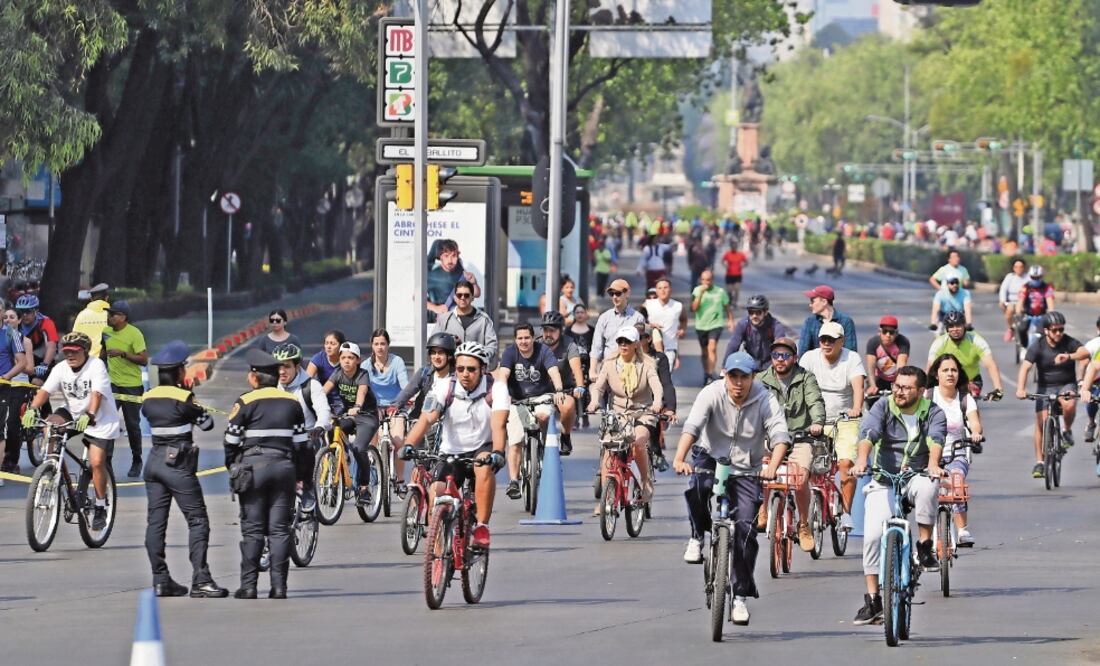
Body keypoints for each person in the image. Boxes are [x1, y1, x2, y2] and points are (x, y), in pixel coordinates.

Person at [673, 351, 789, 626]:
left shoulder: (765, 398)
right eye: (733, 376)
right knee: (698, 486)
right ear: (725, 375)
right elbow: (693, 425)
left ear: (753, 377)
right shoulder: (711, 393)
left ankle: (739, 597)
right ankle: (697, 536)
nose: (738, 383)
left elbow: (780, 434)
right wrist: (679, 458)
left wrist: (773, 464)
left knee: (747, 529)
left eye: (744, 377)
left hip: (747, 466)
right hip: (710, 456)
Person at [852, 366, 946, 625]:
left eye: (906, 387)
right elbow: (868, 433)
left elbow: (936, 440)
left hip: (916, 474)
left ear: (921, 390)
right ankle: (873, 600)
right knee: (871, 537)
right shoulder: (883, 406)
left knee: (929, 487)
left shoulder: (933, 412)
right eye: (896, 386)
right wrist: (862, 461)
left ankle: (925, 547)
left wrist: (934, 464)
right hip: (884, 477)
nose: (899, 391)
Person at [140, 340, 228, 598]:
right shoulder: (184, 398)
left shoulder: (148, 398)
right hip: (178, 464)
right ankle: (201, 579)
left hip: (154, 461)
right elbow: (208, 423)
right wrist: (193, 400)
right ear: (179, 371)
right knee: (198, 520)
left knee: (156, 522)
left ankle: (160, 578)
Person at [401, 341, 507, 548]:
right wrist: (408, 444)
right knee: (436, 492)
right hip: (451, 452)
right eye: (460, 369)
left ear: (483, 369)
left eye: (471, 369)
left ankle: (482, 527)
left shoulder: (497, 389)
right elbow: (426, 419)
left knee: (483, 466)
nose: (465, 374)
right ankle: (438, 557)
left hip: (482, 447)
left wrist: (498, 451)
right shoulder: (444, 387)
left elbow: (499, 425)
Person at [223, 348, 308, 599]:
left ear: (255, 377)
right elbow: (303, 444)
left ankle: (249, 586)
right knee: (280, 530)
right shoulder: (292, 403)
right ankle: (279, 587)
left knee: (252, 529)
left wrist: (233, 468)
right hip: (284, 469)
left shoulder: (245, 401)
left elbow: (230, 441)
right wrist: (302, 476)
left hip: (253, 472)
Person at [22, 332, 120, 531]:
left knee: (96, 462)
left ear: (84, 351)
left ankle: (100, 505)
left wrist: (90, 414)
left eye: (74, 351)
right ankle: (51, 470)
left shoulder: (96, 366)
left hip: (99, 419)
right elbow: (44, 392)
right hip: (73, 411)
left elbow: (97, 394)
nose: (69, 356)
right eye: (66, 352)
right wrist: (32, 409)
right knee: (50, 425)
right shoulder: (60, 368)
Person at [759, 337, 825, 552]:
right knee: (758, 468)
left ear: (794, 358)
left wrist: (816, 423)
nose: (780, 360)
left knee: (799, 478)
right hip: (770, 436)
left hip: (800, 437)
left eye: (785, 355)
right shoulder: (761, 379)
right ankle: (763, 507)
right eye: (776, 355)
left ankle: (804, 524)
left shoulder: (806, 378)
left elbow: (815, 401)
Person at [798, 321, 865, 530]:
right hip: (815, 420)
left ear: (841, 341)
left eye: (831, 340)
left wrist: (856, 408)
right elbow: (798, 385)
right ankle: (805, 515)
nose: (826, 344)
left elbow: (858, 386)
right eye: (823, 339)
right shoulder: (809, 358)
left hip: (844, 420)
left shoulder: (851, 358)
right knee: (805, 466)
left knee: (845, 464)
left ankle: (846, 513)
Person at [587, 325, 662, 510]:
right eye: (620, 341)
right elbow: (598, 387)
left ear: (636, 344)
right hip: (617, 415)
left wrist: (658, 401)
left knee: (637, 442)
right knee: (608, 452)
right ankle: (607, 497)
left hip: (642, 413)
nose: (623, 344)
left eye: (627, 341)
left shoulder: (647, 365)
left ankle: (645, 482)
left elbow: (657, 386)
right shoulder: (609, 364)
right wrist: (594, 401)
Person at [1016, 311, 1090, 477]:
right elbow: (1025, 367)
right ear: (1046, 330)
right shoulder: (1038, 345)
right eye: (1055, 330)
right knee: (1041, 423)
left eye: (1061, 329)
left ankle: (1067, 430)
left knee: (1069, 402)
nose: (1059, 333)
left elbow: (1085, 353)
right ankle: (1040, 462)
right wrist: (1020, 389)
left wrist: (1069, 356)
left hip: (1066, 384)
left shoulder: (1068, 342)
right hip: (1046, 387)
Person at [498, 323, 566, 499]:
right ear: (515, 339)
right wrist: (502, 392)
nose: (523, 341)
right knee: (515, 440)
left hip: (541, 397)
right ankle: (514, 481)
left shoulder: (543, 351)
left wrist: (558, 390)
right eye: (520, 338)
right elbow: (503, 374)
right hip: (517, 400)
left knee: (544, 414)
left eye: (527, 338)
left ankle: (544, 443)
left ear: (533, 337)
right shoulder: (510, 352)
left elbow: (553, 371)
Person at [928, 353, 983, 546]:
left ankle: (962, 529)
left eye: (954, 370)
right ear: (936, 374)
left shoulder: (965, 399)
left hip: (955, 453)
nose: (950, 374)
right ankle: (924, 539)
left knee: (956, 480)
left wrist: (975, 433)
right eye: (945, 370)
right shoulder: (927, 396)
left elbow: (975, 422)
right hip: (927, 455)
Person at [273, 342, 331, 512]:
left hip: (307, 438)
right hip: (280, 439)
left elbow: (323, 409)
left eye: (286, 367)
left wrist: (320, 426)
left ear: (297, 366)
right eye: (278, 367)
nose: (281, 371)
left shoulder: (311, 386)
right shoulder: (272, 385)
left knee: (306, 449)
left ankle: (307, 489)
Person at [321, 341, 379, 504]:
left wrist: (358, 406)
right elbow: (325, 389)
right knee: (332, 432)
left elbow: (362, 390)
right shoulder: (337, 373)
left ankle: (364, 488)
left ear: (358, 360)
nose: (346, 361)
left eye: (351, 358)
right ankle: (341, 461)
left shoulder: (362, 374)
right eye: (343, 357)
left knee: (359, 448)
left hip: (366, 416)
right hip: (348, 415)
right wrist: (316, 402)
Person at [101, 300, 148, 478]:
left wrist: (123, 354)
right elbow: (103, 354)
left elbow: (144, 359)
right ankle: (107, 461)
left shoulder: (135, 334)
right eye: (108, 314)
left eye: (112, 314)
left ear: (123, 317)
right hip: (112, 384)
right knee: (109, 423)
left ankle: (137, 459)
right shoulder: (105, 332)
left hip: (132, 386)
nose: (109, 317)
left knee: (132, 425)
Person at [363, 328, 409, 494]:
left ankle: (401, 479)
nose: (380, 347)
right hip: (373, 407)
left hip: (395, 406)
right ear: (372, 346)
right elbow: (362, 388)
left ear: (388, 345)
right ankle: (367, 481)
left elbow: (405, 385)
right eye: (376, 344)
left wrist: (404, 400)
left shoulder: (397, 362)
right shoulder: (365, 365)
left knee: (398, 442)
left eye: (383, 343)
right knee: (369, 443)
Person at [393, 332, 457, 448]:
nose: (436, 357)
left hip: (448, 427)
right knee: (420, 462)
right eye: (433, 353)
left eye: (441, 353)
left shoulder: (456, 377)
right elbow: (408, 391)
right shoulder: (424, 373)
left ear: (450, 355)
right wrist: (395, 405)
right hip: (422, 423)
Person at [926, 311, 1004, 397]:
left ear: (964, 326)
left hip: (971, 381)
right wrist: (924, 388)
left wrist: (998, 389)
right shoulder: (939, 342)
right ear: (947, 329)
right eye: (951, 326)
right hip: (947, 381)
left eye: (958, 325)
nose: (955, 329)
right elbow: (930, 366)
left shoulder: (976, 340)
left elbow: (990, 364)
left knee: (969, 402)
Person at [540, 312, 585, 455]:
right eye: (546, 330)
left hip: (564, 389)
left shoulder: (569, 344)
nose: (548, 334)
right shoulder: (536, 344)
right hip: (539, 390)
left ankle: (565, 435)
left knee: (568, 406)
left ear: (560, 331)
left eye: (552, 330)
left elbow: (576, 368)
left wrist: (580, 386)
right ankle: (536, 440)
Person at [590, 278, 645, 379]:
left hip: (630, 370)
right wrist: (592, 370)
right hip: (607, 369)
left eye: (618, 293)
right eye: (612, 294)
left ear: (627, 294)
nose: (615, 297)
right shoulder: (604, 317)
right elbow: (596, 347)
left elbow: (640, 347)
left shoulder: (638, 318)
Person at [433, 280, 499, 364]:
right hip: (450, 370)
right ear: (455, 298)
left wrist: (479, 358)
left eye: (466, 295)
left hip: (475, 371)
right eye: (459, 295)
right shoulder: (444, 319)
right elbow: (434, 344)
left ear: (472, 297)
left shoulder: (484, 320)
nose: (463, 298)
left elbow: (492, 345)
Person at [723, 295, 793, 371]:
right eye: (751, 312)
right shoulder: (743, 324)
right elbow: (733, 346)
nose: (754, 316)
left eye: (758, 312)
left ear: (766, 312)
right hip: (751, 363)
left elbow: (781, 347)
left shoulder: (775, 326)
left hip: (771, 365)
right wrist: (725, 367)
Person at [691, 269, 734, 384]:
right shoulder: (697, 290)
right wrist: (700, 294)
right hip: (701, 325)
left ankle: (710, 374)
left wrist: (730, 320)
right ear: (701, 280)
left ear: (712, 280)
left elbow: (727, 307)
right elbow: (694, 308)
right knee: (704, 352)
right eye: (704, 280)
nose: (706, 282)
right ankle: (706, 372)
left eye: (708, 280)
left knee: (712, 347)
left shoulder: (720, 292)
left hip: (716, 324)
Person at [426, 238, 481, 317]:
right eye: (446, 256)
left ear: (458, 256)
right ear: (440, 257)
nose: (450, 260)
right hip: (439, 320)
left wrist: (474, 283)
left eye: (454, 256)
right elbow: (417, 298)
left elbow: (476, 294)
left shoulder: (461, 272)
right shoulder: (432, 276)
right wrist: (435, 308)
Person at [798, 285, 857, 358]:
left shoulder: (846, 321)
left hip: (841, 366)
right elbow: (803, 352)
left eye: (812, 301)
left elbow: (851, 352)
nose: (810, 305)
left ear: (824, 302)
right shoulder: (810, 322)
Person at [644, 277, 686, 371]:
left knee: (665, 377)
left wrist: (682, 329)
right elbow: (639, 320)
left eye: (665, 287)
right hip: (651, 348)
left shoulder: (678, 306)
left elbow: (683, 319)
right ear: (656, 291)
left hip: (670, 348)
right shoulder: (648, 304)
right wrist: (649, 325)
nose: (663, 290)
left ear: (670, 289)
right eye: (659, 288)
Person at [16, 293, 58, 386]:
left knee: (36, 382)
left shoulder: (46, 322)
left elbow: (51, 346)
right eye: (21, 311)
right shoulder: (15, 322)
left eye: (28, 311)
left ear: (36, 311)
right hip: (24, 359)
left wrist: (45, 364)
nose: (24, 315)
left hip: (43, 359)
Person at [865, 316, 910, 399]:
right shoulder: (873, 342)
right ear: (880, 332)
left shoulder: (903, 342)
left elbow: (901, 365)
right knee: (871, 400)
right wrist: (872, 385)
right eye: (885, 331)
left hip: (895, 379)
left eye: (891, 332)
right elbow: (870, 367)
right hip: (878, 379)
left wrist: (897, 385)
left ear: (896, 333)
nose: (888, 335)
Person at [306, 329, 347, 413]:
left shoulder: (347, 359)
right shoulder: (319, 358)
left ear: (341, 346)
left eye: (333, 344)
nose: (328, 346)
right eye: (326, 343)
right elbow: (306, 381)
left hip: (344, 402)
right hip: (322, 400)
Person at [1014, 264, 1055, 347]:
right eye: (1033, 277)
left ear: (1041, 277)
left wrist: (1051, 314)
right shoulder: (1025, 287)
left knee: (1046, 332)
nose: (1035, 280)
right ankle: (1024, 346)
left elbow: (1050, 302)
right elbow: (1020, 301)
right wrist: (1018, 313)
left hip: (1042, 316)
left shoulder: (1047, 288)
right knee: (1021, 329)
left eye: (1037, 277)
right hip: (1028, 315)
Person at [72, 283, 110, 357]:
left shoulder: (82, 315)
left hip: (87, 358)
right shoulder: (111, 315)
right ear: (106, 298)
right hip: (107, 358)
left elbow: (75, 337)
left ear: (91, 299)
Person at [998, 258, 1028, 342]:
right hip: (1011, 301)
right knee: (1009, 311)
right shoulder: (1010, 277)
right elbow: (1003, 289)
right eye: (1016, 267)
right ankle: (1010, 328)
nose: (1018, 269)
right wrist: (1002, 300)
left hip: (1024, 302)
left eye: (1020, 267)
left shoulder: (1027, 278)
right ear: (1013, 268)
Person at [720, 240, 748, 309]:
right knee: (729, 291)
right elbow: (722, 260)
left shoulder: (740, 254)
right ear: (731, 247)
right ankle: (730, 301)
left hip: (738, 275)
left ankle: (735, 302)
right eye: (732, 246)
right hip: (729, 275)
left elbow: (746, 262)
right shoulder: (728, 254)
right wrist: (725, 266)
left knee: (736, 289)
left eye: (735, 246)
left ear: (737, 247)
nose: (734, 248)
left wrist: (742, 266)